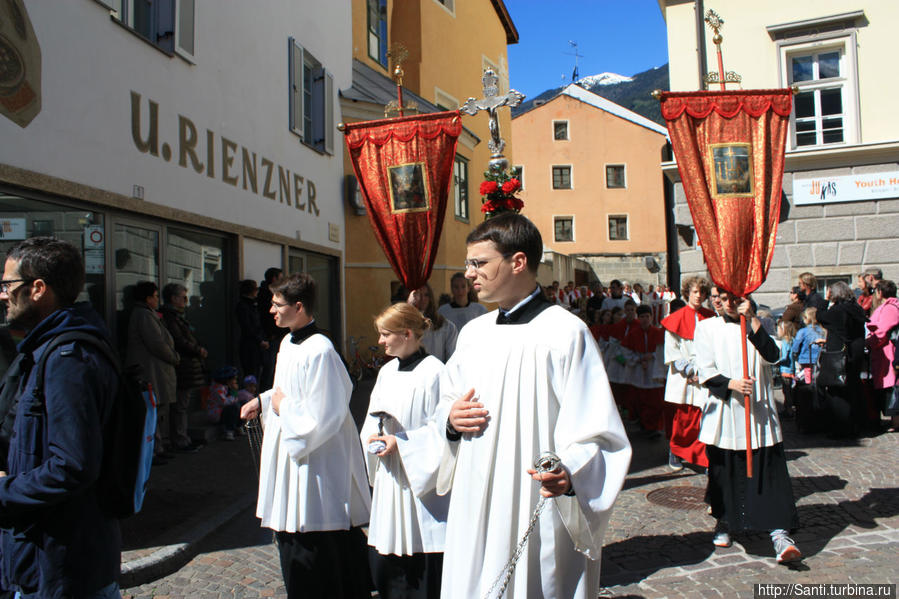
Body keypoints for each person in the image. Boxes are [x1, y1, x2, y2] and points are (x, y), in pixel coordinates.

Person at [435, 213, 631, 598]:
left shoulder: (564, 332)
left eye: (479, 263)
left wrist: (571, 472)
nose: (469, 274)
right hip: (475, 499)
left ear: (518, 262)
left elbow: (598, 428)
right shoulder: (473, 333)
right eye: (468, 264)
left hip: (532, 500)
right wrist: (450, 420)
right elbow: (447, 400)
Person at [0, 237, 121, 597]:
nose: (3, 294)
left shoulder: (68, 358)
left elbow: (72, 466)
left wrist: (4, 491)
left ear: (37, 288)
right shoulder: (44, 349)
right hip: (40, 560)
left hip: (64, 570)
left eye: (7, 285)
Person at [239, 273, 370, 598]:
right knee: (291, 535)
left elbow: (325, 415)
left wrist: (282, 407)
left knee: (315, 544)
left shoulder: (321, 351)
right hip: (293, 457)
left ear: (298, 307)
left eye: (277, 304)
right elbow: (288, 392)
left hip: (315, 464)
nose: (270, 310)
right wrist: (265, 401)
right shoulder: (288, 342)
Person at [695, 290, 801, 564]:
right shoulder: (707, 328)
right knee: (724, 472)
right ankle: (725, 521)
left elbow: (773, 356)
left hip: (759, 417)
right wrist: (731, 384)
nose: (725, 302)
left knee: (769, 475)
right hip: (727, 414)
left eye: (732, 297)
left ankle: (779, 534)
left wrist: (752, 320)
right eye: (719, 296)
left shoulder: (757, 325)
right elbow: (705, 371)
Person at [361, 303, 448, 599]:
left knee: (419, 569)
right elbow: (371, 419)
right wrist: (373, 437)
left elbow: (445, 431)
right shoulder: (386, 372)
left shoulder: (436, 372)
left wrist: (404, 443)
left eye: (386, 334)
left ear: (407, 333)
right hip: (390, 478)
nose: (381, 341)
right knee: (387, 566)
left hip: (419, 484)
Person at [661, 276, 716, 471]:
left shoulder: (711, 317)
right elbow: (672, 350)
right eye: (694, 292)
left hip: (705, 375)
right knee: (684, 420)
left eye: (702, 292)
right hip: (684, 377)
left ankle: (703, 457)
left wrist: (704, 371)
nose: (698, 296)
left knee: (704, 417)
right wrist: (690, 370)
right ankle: (676, 451)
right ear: (687, 293)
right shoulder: (675, 319)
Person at [126, 280, 179, 463]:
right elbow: (156, 343)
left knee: (158, 411)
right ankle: (153, 450)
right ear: (148, 298)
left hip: (154, 369)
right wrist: (173, 357)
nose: (157, 300)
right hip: (150, 370)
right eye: (155, 296)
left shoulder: (147, 314)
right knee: (152, 410)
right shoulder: (143, 315)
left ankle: (158, 446)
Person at [817, 281, 868, 438]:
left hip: (840, 354)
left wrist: (825, 301)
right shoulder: (856, 308)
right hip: (855, 353)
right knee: (853, 388)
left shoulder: (838, 310)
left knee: (837, 390)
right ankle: (855, 425)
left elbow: (820, 316)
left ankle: (842, 429)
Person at [161, 282, 207, 452]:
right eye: (183, 298)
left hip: (186, 365)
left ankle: (182, 437)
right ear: (173, 299)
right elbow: (179, 341)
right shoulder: (171, 317)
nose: (186, 301)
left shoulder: (177, 316)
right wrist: (197, 350)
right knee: (179, 405)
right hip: (182, 366)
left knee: (182, 404)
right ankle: (180, 439)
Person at [865, 280, 899, 432]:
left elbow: (882, 331)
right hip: (883, 350)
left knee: (893, 388)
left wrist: (869, 342)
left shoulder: (890, 308)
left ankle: (895, 422)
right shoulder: (890, 306)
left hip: (887, 351)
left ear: (880, 292)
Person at [409, 283, 457, 363]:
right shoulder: (405, 324)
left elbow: (451, 358)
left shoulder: (446, 326)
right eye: (418, 295)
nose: (422, 298)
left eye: (426, 295)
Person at [257, 267, 285, 391]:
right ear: (274, 279)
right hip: (270, 337)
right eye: (280, 277)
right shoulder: (265, 294)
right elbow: (264, 317)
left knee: (274, 368)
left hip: (275, 335)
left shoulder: (269, 293)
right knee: (269, 369)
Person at [236, 279, 268, 381]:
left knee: (256, 372)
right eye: (255, 290)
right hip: (250, 345)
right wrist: (260, 340)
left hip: (254, 344)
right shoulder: (244, 306)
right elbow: (248, 327)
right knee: (252, 374)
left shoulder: (251, 305)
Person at [207, 365, 242, 440]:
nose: (235, 381)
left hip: (223, 411)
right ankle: (229, 431)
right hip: (216, 415)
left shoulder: (225, 388)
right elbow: (225, 402)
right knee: (233, 407)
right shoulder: (217, 389)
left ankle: (238, 426)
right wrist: (234, 391)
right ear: (227, 380)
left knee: (241, 404)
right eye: (234, 379)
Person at [791, 308, 824, 386]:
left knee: (807, 378)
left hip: (806, 359)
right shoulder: (824, 331)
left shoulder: (803, 331)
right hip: (821, 359)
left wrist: (795, 353)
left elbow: (795, 347)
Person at [775, 320, 798, 419]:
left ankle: (788, 411)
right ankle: (788, 409)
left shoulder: (785, 341)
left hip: (785, 370)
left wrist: (776, 362)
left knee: (786, 391)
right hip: (791, 369)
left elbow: (784, 356)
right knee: (789, 391)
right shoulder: (792, 339)